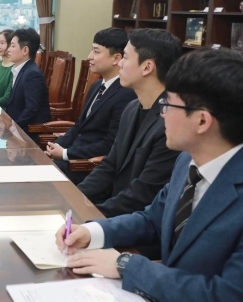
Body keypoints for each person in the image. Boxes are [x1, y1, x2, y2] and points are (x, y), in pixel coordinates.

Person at [57, 48, 243, 302]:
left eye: (167, 104)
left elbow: (230, 295)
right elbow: (152, 220)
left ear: (202, 121)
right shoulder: (189, 159)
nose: (162, 114)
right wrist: (93, 232)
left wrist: (126, 265)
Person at [76, 28, 181, 218]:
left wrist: (90, 216)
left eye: (125, 57)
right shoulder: (132, 107)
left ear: (147, 67)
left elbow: (143, 194)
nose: (120, 64)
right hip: (116, 211)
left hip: (140, 223)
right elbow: (110, 165)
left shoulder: (172, 121)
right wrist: (73, 198)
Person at [45, 28, 136, 184]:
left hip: (85, 167)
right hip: (71, 157)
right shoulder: (96, 86)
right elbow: (79, 125)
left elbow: (110, 144)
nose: (89, 57)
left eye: (96, 52)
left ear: (116, 58)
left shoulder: (126, 94)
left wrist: (66, 153)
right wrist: (57, 145)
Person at [5, 28, 51, 136]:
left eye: (12, 46)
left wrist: (12, 128)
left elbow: (31, 110)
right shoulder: (20, 69)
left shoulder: (32, 74)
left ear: (25, 50)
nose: (8, 50)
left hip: (28, 132)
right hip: (17, 125)